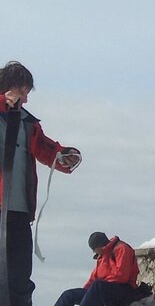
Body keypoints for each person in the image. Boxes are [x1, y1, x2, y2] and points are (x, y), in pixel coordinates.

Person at [1, 61, 81, 306]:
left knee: (21, 275)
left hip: (19, 211)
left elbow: (46, 148)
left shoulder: (28, 122)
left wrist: (67, 156)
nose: (25, 99)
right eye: (22, 91)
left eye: (27, 92)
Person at [53, 232, 140, 306]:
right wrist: (87, 293)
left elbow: (122, 276)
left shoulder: (122, 249)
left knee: (98, 285)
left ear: (99, 246)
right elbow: (93, 278)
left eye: (93, 249)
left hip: (125, 290)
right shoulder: (102, 256)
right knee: (69, 295)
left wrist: (101, 284)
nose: (93, 252)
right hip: (102, 290)